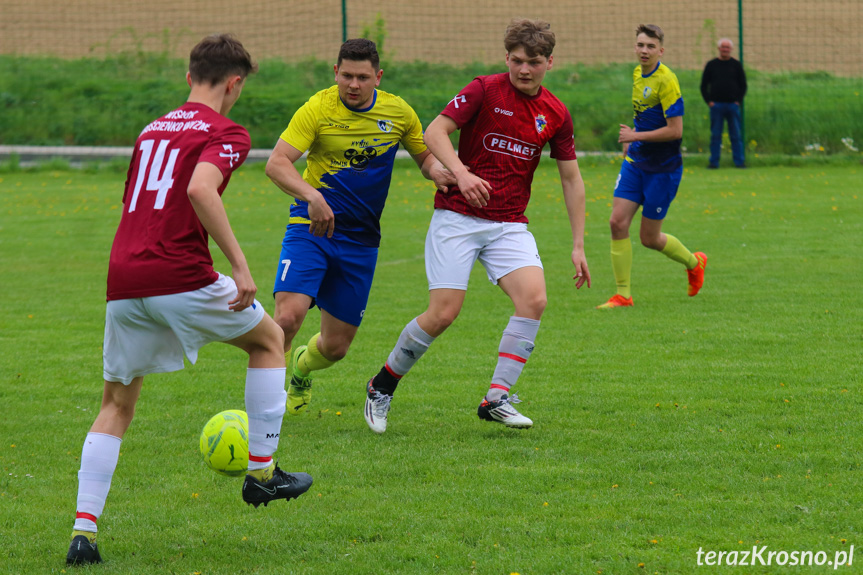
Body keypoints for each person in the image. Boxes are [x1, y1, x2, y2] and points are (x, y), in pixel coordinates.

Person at [65, 34, 312, 566]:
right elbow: (201, 189)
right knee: (269, 340)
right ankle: (263, 475)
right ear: (235, 83)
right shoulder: (226, 131)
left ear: (188, 78)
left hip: (125, 277)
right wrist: (241, 266)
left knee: (115, 404)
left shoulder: (152, 128)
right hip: (179, 272)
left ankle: (83, 533)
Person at [362, 18, 591, 434]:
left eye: (534, 62)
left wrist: (578, 244)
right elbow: (435, 131)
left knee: (534, 301)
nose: (524, 70)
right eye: (517, 61)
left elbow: (571, 179)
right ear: (507, 57)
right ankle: (381, 386)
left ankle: (497, 398)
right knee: (444, 313)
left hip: (508, 224)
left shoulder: (555, 113)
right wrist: (461, 173)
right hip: (458, 218)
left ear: (549, 63)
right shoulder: (484, 89)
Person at [265, 39, 452, 416]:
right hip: (311, 228)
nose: (353, 84)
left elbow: (425, 156)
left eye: (362, 77)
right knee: (287, 317)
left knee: (335, 348)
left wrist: (440, 173)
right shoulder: (318, 108)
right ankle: (265, 407)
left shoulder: (397, 112)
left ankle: (301, 369)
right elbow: (277, 163)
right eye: (346, 75)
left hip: (360, 241)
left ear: (377, 77)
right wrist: (311, 197)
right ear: (335, 72)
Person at [597, 24, 707, 310]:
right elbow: (646, 116)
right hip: (636, 162)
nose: (644, 50)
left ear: (661, 50)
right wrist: (633, 137)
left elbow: (675, 131)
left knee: (649, 238)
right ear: (635, 47)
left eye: (650, 46)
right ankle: (623, 295)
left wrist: (634, 136)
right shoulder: (637, 74)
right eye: (640, 45)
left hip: (663, 169)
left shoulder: (667, 80)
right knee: (616, 222)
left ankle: (694, 263)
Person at [701, 38, 747, 169]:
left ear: (731, 50)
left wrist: (738, 101)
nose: (725, 50)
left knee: (736, 135)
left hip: (733, 106)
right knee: (716, 135)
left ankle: (739, 162)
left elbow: (743, 85)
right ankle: (714, 162)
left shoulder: (736, 65)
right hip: (716, 106)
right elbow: (704, 86)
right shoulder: (711, 65)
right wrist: (709, 102)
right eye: (723, 47)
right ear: (719, 49)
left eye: (727, 48)